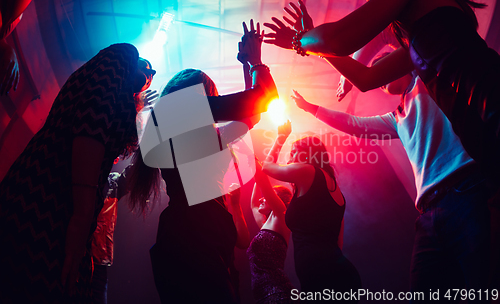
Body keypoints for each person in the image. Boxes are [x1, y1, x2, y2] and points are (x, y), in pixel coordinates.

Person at [291, 50, 496, 301]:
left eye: (382, 67)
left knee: (482, 285)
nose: (379, 78)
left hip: (465, 191)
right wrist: (311, 108)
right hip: (429, 214)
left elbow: (404, 42)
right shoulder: (396, 118)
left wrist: (347, 66)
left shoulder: (428, 79)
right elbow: (355, 124)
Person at [264, 0, 500, 176]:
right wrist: (315, 43)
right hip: (479, 135)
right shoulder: (418, 41)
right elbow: (367, 79)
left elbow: (338, 40)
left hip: (487, 98)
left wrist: (299, 39)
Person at [127, 20, 278, 304]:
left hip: (191, 236)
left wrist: (246, 65)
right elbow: (261, 101)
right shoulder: (186, 110)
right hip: (195, 237)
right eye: (215, 96)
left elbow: (251, 116)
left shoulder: (184, 126)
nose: (219, 102)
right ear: (200, 93)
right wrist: (256, 61)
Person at [0, 43, 154, 303]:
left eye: (152, 73)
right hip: (45, 199)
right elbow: (90, 123)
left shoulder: (125, 108)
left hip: (62, 210)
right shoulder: (124, 54)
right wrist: (82, 219)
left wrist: (139, 111)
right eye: (146, 66)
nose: (150, 73)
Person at [262, 121, 362, 299]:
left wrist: (280, 138)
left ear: (309, 153)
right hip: (336, 274)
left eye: (294, 152)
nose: (290, 159)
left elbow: (267, 167)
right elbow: (338, 243)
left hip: (322, 276)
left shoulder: (309, 171)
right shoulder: (336, 191)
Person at [247, 159, 294, 303]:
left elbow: (262, 180)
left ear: (277, 200)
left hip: (276, 291)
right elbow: (254, 205)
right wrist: (258, 177)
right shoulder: (265, 225)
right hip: (262, 294)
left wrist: (250, 157)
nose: (262, 198)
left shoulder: (281, 215)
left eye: (267, 195)